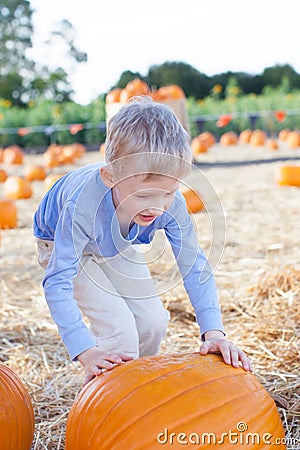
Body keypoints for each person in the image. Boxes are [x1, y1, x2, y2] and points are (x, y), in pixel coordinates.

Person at [34, 97, 252, 385]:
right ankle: (108, 396)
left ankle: (135, 388)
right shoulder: (82, 206)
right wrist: (86, 352)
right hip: (62, 242)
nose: (157, 207)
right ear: (110, 177)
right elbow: (57, 281)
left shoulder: (167, 203)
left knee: (153, 323)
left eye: (168, 192)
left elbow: (194, 266)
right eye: (144, 195)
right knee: (121, 332)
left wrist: (214, 331)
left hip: (116, 241)